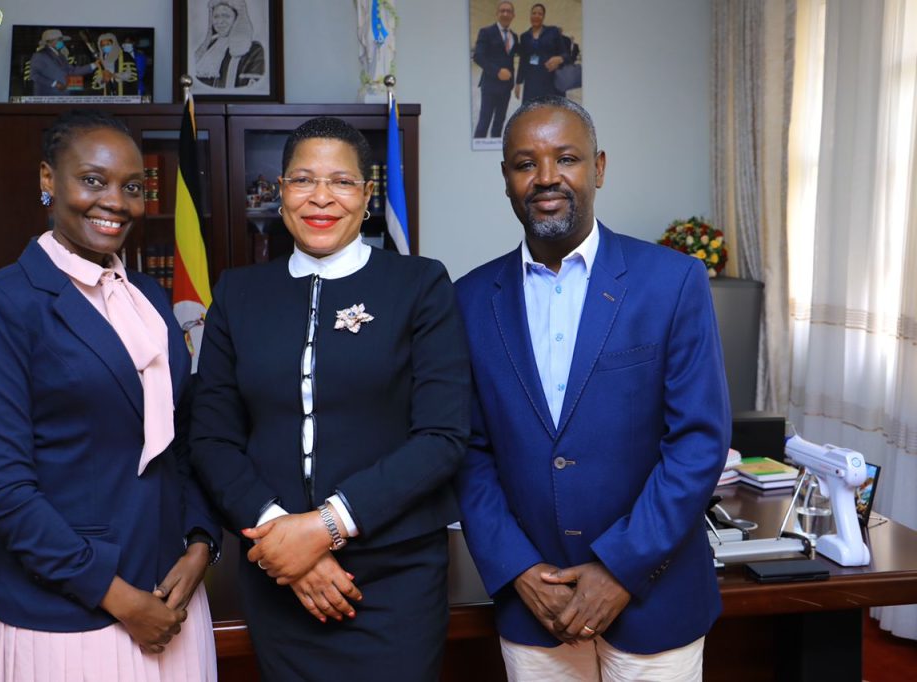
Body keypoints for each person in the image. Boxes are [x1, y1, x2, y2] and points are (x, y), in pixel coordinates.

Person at [454, 97, 730, 680]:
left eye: (567, 158)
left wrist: (620, 569)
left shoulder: (672, 281)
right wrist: (518, 569)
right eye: (525, 163)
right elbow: (469, 453)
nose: (545, 177)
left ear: (598, 168)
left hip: (654, 601)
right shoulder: (470, 299)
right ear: (506, 179)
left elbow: (698, 443)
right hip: (536, 605)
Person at [190, 116, 470, 681]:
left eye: (341, 181)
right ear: (281, 192)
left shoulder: (420, 285)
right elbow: (212, 438)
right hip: (277, 575)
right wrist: (284, 542)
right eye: (303, 180)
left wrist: (324, 528)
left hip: (395, 578)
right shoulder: (238, 294)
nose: (321, 197)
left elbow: (442, 437)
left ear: (366, 196)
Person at [0, 110, 220, 680]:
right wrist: (119, 598)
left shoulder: (149, 296)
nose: (115, 202)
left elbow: (182, 440)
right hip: (74, 611)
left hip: (172, 597)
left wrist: (201, 542)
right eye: (93, 180)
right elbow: (2, 488)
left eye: (132, 187)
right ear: (48, 179)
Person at [194, 0, 265, 89]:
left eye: (226, 16)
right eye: (216, 16)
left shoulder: (254, 50)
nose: (220, 21)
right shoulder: (208, 47)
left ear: (237, 18)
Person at [473, 1, 519, 139]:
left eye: (508, 11)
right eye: (502, 11)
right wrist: (497, 71)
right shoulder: (486, 32)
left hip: (506, 87)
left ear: (513, 15)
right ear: (497, 14)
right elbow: (478, 56)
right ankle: (477, 147)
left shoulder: (514, 36)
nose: (505, 13)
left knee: (499, 123)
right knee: (484, 122)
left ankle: (495, 148)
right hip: (490, 86)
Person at [514, 4, 568, 103]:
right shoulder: (524, 36)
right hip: (531, 82)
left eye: (540, 14)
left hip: (550, 81)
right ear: (530, 15)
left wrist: (560, 59)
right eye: (534, 13)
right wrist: (518, 83)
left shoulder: (553, 31)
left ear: (543, 16)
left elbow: (565, 54)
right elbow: (523, 61)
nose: (536, 16)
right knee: (531, 109)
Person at [28, 28, 97, 96]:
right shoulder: (40, 55)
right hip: (48, 96)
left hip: (63, 94)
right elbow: (34, 75)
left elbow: (71, 71)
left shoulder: (61, 55)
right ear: (50, 41)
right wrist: (54, 83)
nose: (62, 42)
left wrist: (94, 65)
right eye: (60, 39)